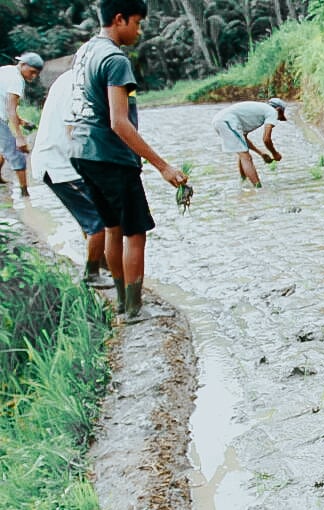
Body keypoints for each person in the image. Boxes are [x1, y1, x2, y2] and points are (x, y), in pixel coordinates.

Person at [68, 0, 188, 322]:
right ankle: (135, 309)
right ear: (119, 19)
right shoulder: (115, 59)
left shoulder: (86, 51)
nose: (139, 30)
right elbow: (119, 122)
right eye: (137, 22)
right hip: (110, 155)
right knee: (135, 231)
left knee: (112, 226)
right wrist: (163, 166)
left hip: (82, 151)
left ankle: (122, 303)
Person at [31, 69, 113, 289]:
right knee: (100, 220)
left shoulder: (71, 78)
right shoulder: (80, 85)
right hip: (59, 164)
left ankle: (103, 263)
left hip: (59, 160)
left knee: (90, 217)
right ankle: (92, 274)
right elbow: (74, 130)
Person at [211, 98, 286, 188]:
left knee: (243, 153)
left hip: (220, 120)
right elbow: (266, 139)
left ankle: (243, 181)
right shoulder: (272, 111)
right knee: (246, 157)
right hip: (226, 121)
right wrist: (275, 153)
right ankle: (258, 188)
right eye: (279, 116)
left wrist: (261, 153)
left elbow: (244, 141)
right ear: (279, 109)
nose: (276, 120)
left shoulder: (258, 110)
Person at [0, 52, 44, 196]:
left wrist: (22, 122)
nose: (33, 76)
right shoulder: (16, 80)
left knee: (4, 148)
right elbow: (10, 109)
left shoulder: (6, 70)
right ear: (23, 64)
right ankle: (25, 194)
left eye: (36, 74)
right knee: (17, 154)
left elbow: (7, 106)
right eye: (32, 72)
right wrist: (19, 138)